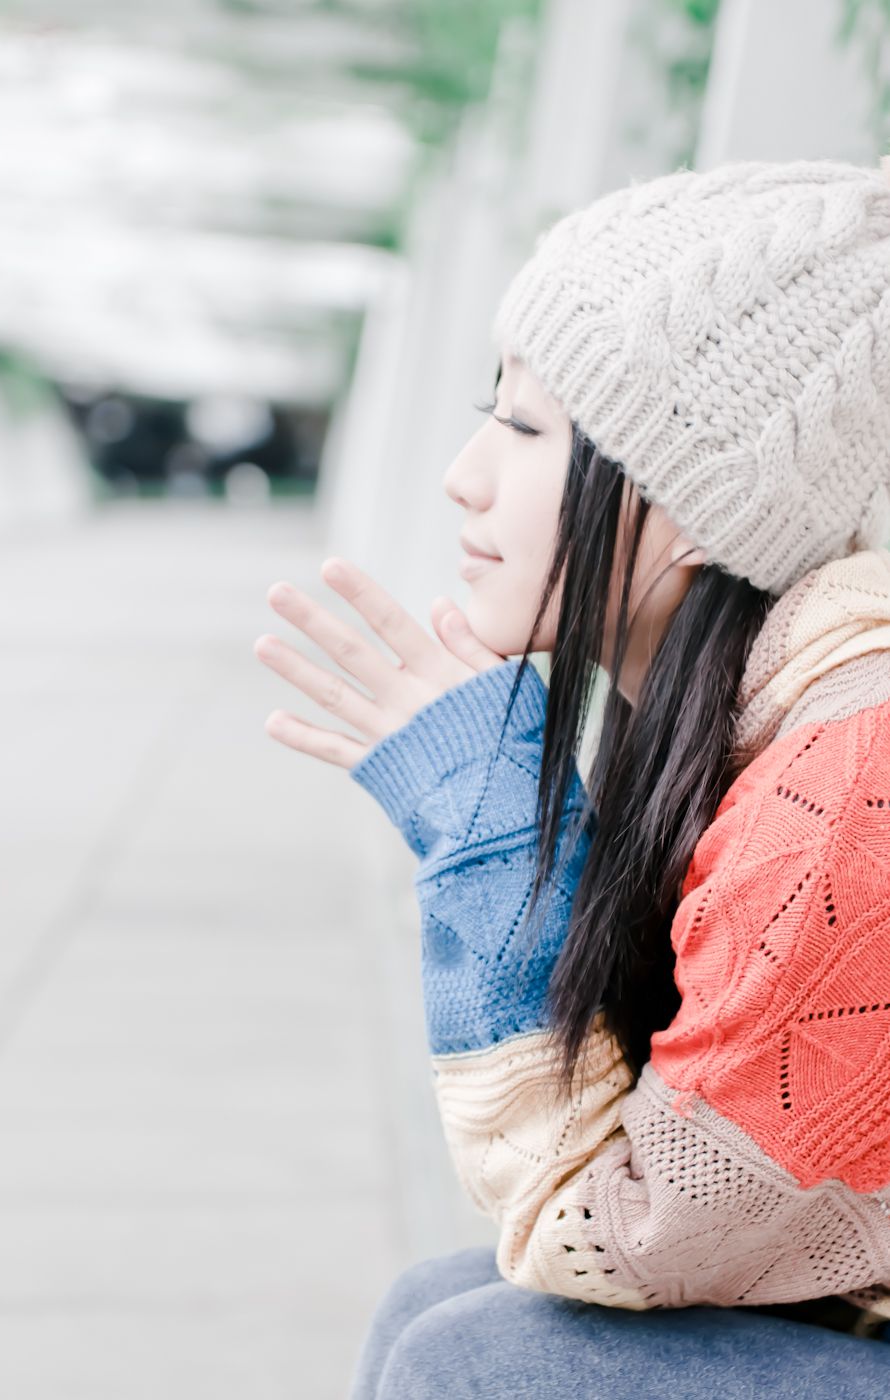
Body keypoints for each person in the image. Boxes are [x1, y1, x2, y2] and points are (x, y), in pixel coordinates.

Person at [254, 158, 890, 1397]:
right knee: (436, 1306)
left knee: (482, 1355)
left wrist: (489, 837)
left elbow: (616, 1231)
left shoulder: (848, 781)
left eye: (527, 427)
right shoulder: (770, 719)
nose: (464, 473)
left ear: (701, 505)